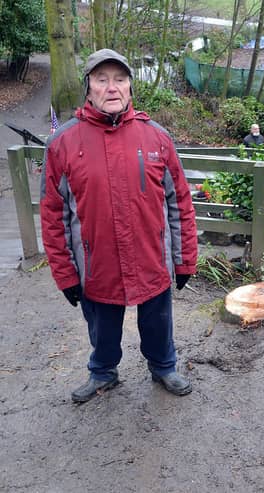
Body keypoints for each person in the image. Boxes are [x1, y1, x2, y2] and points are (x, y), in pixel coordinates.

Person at [40, 49, 198, 403]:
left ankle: (163, 366)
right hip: (97, 264)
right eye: (102, 80)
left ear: (130, 87)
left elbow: (180, 203)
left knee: (158, 322)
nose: (112, 88)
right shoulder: (62, 145)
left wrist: (184, 259)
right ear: (89, 88)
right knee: (102, 327)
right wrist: (65, 274)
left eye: (120, 79)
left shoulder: (157, 138)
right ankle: (103, 372)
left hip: (150, 256)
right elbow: (53, 216)